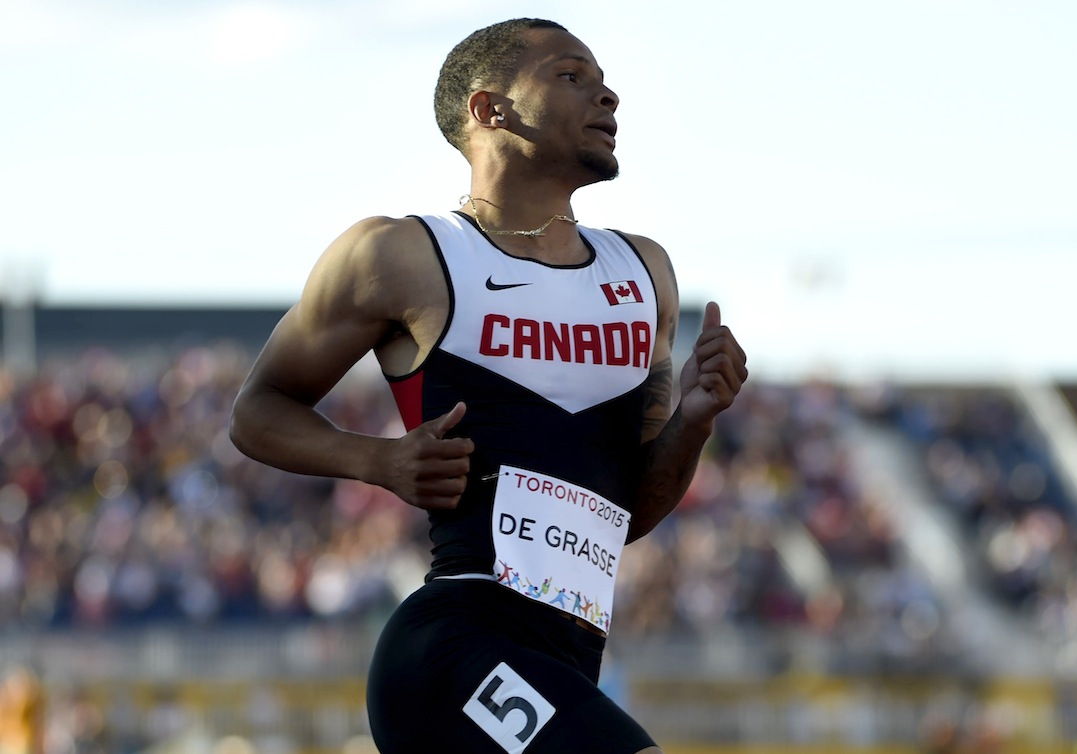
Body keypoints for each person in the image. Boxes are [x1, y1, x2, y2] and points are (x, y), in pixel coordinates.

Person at [230, 17, 748, 754]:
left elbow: (626, 514)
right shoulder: (401, 254)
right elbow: (255, 412)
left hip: (569, 659)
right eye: (572, 77)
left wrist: (693, 420)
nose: (609, 98)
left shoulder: (644, 275)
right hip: (453, 650)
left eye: (604, 82)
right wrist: (376, 461)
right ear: (489, 110)